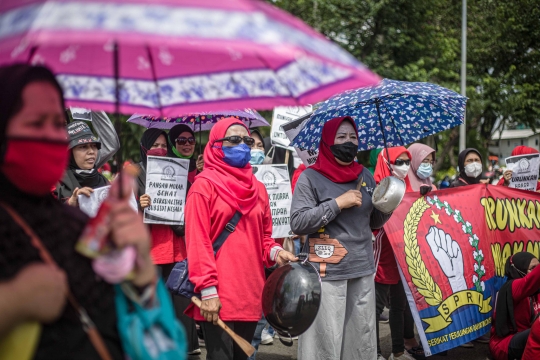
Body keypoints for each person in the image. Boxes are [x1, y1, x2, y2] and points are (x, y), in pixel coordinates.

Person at [0, 64, 157, 359]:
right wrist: (14, 302)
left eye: (58, 123)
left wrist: (141, 267)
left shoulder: (76, 224)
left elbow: (153, 340)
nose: (49, 135)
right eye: (36, 123)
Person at [184, 117, 296, 360]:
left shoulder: (258, 188)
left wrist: (277, 253)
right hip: (218, 294)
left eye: (247, 140)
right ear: (215, 145)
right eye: (234, 139)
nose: (243, 145)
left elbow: (265, 239)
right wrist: (208, 291)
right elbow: (198, 242)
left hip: (251, 291)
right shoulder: (203, 187)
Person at [290, 116, 391, 360]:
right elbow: (299, 222)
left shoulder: (365, 175)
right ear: (326, 141)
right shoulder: (310, 177)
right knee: (324, 345)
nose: (349, 142)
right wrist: (337, 204)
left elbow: (373, 222)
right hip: (326, 274)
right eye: (341, 137)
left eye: (353, 137)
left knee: (360, 343)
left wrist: (388, 203)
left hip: (362, 270)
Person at [135, 128, 201, 356]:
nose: (160, 150)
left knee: (180, 311)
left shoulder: (180, 172)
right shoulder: (133, 176)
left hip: (178, 254)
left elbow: (194, 205)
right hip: (149, 256)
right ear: (144, 148)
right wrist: (138, 206)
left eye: (164, 146)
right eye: (155, 145)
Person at [373, 146, 421, 360]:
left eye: (406, 161)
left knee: (399, 306)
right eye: (398, 161)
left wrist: (422, 198)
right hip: (382, 256)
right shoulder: (376, 186)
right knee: (374, 309)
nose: (404, 166)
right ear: (386, 162)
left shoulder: (409, 187)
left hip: (402, 255)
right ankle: (373, 353)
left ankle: (398, 351)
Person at [54, 112, 120, 204]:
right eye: (83, 147)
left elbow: (111, 144)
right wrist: (70, 203)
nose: (91, 151)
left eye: (94, 146)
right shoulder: (55, 180)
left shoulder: (104, 183)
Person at [490, 252, 540, 360]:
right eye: (532, 268)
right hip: (505, 344)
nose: (535, 271)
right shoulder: (513, 287)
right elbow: (530, 281)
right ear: (519, 270)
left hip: (530, 339)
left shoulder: (537, 291)